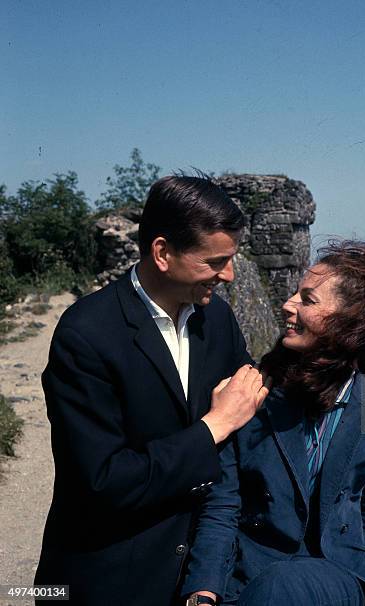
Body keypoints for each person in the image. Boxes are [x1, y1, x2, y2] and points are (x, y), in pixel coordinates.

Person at [34, 175, 271, 606]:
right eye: (216, 261)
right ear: (162, 253)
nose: (231, 275)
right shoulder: (86, 335)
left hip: (194, 577)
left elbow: (255, 394)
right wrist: (212, 427)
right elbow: (103, 482)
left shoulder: (215, 319)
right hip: (109, 580)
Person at [182, 240, 365, 606]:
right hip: (251, 575)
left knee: (286, 584)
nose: (287, 305)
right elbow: (223, 503)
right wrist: (203, 589)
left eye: (307, 300)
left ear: (348, 322)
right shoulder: (251, 395)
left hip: (338, 572)